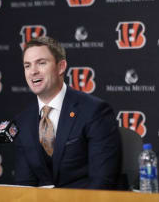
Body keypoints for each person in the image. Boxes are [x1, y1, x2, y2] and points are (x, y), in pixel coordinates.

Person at [13, 36, 121, 189]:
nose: (33, 72)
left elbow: (102, 182)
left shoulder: (94, 111)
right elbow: (25, 185)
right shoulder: (23, 121)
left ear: (61, 67)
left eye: (41, 63)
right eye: (27, 66)